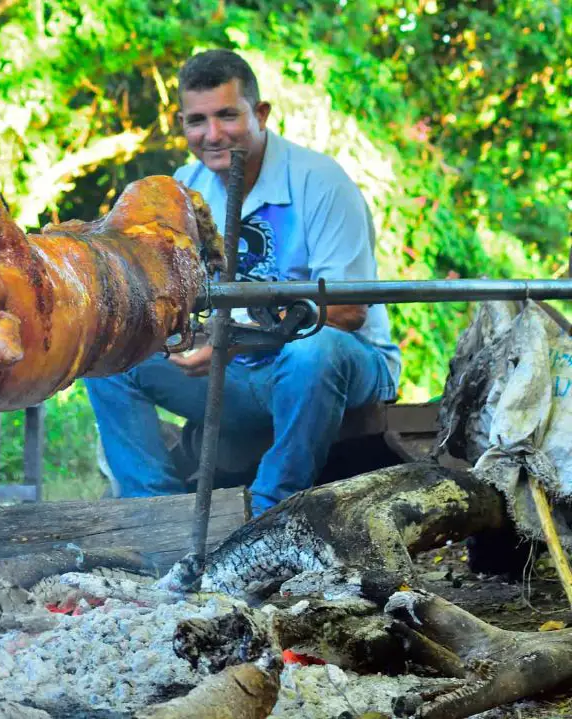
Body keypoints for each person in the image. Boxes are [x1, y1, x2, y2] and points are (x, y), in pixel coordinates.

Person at [85, 49, 402, 517]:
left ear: (261, 114)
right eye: (198, 120)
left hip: (333, 366)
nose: (212, 135)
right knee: (108, 354)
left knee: (314, 352)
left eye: (227, 115)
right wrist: (169, 336)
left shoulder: (320, 181)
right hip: (233, 371)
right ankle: (151, 514)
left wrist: (237, 342)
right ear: (182, 123)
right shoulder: (181, 187)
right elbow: (167, 293)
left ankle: (268, 514)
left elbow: (349, 312)